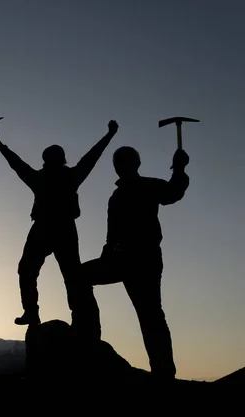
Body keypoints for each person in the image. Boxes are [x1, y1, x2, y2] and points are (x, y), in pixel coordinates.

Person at [0, 120, 119, 338]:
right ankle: (33, 312)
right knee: (31, 270)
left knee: (70, 275)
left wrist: (109, 135)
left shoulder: (65, 177)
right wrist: (0, 145)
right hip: (45, 228)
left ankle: (76, 317)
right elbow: (17, 163)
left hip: (61, 229)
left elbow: (92, 157)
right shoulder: (43, 178)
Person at [80, 145, 190, 380]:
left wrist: (179, 168)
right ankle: (87, 333)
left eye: (123, 161)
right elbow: (113, 235)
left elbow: (173, 192)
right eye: (117, 162)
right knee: (80, 277)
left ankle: (163, 373)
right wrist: (107, 255)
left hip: (143, 260)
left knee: (150, 314)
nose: (119, 166)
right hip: (119, 260)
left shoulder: (147, 186)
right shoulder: (117, 195)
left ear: (134, 164)